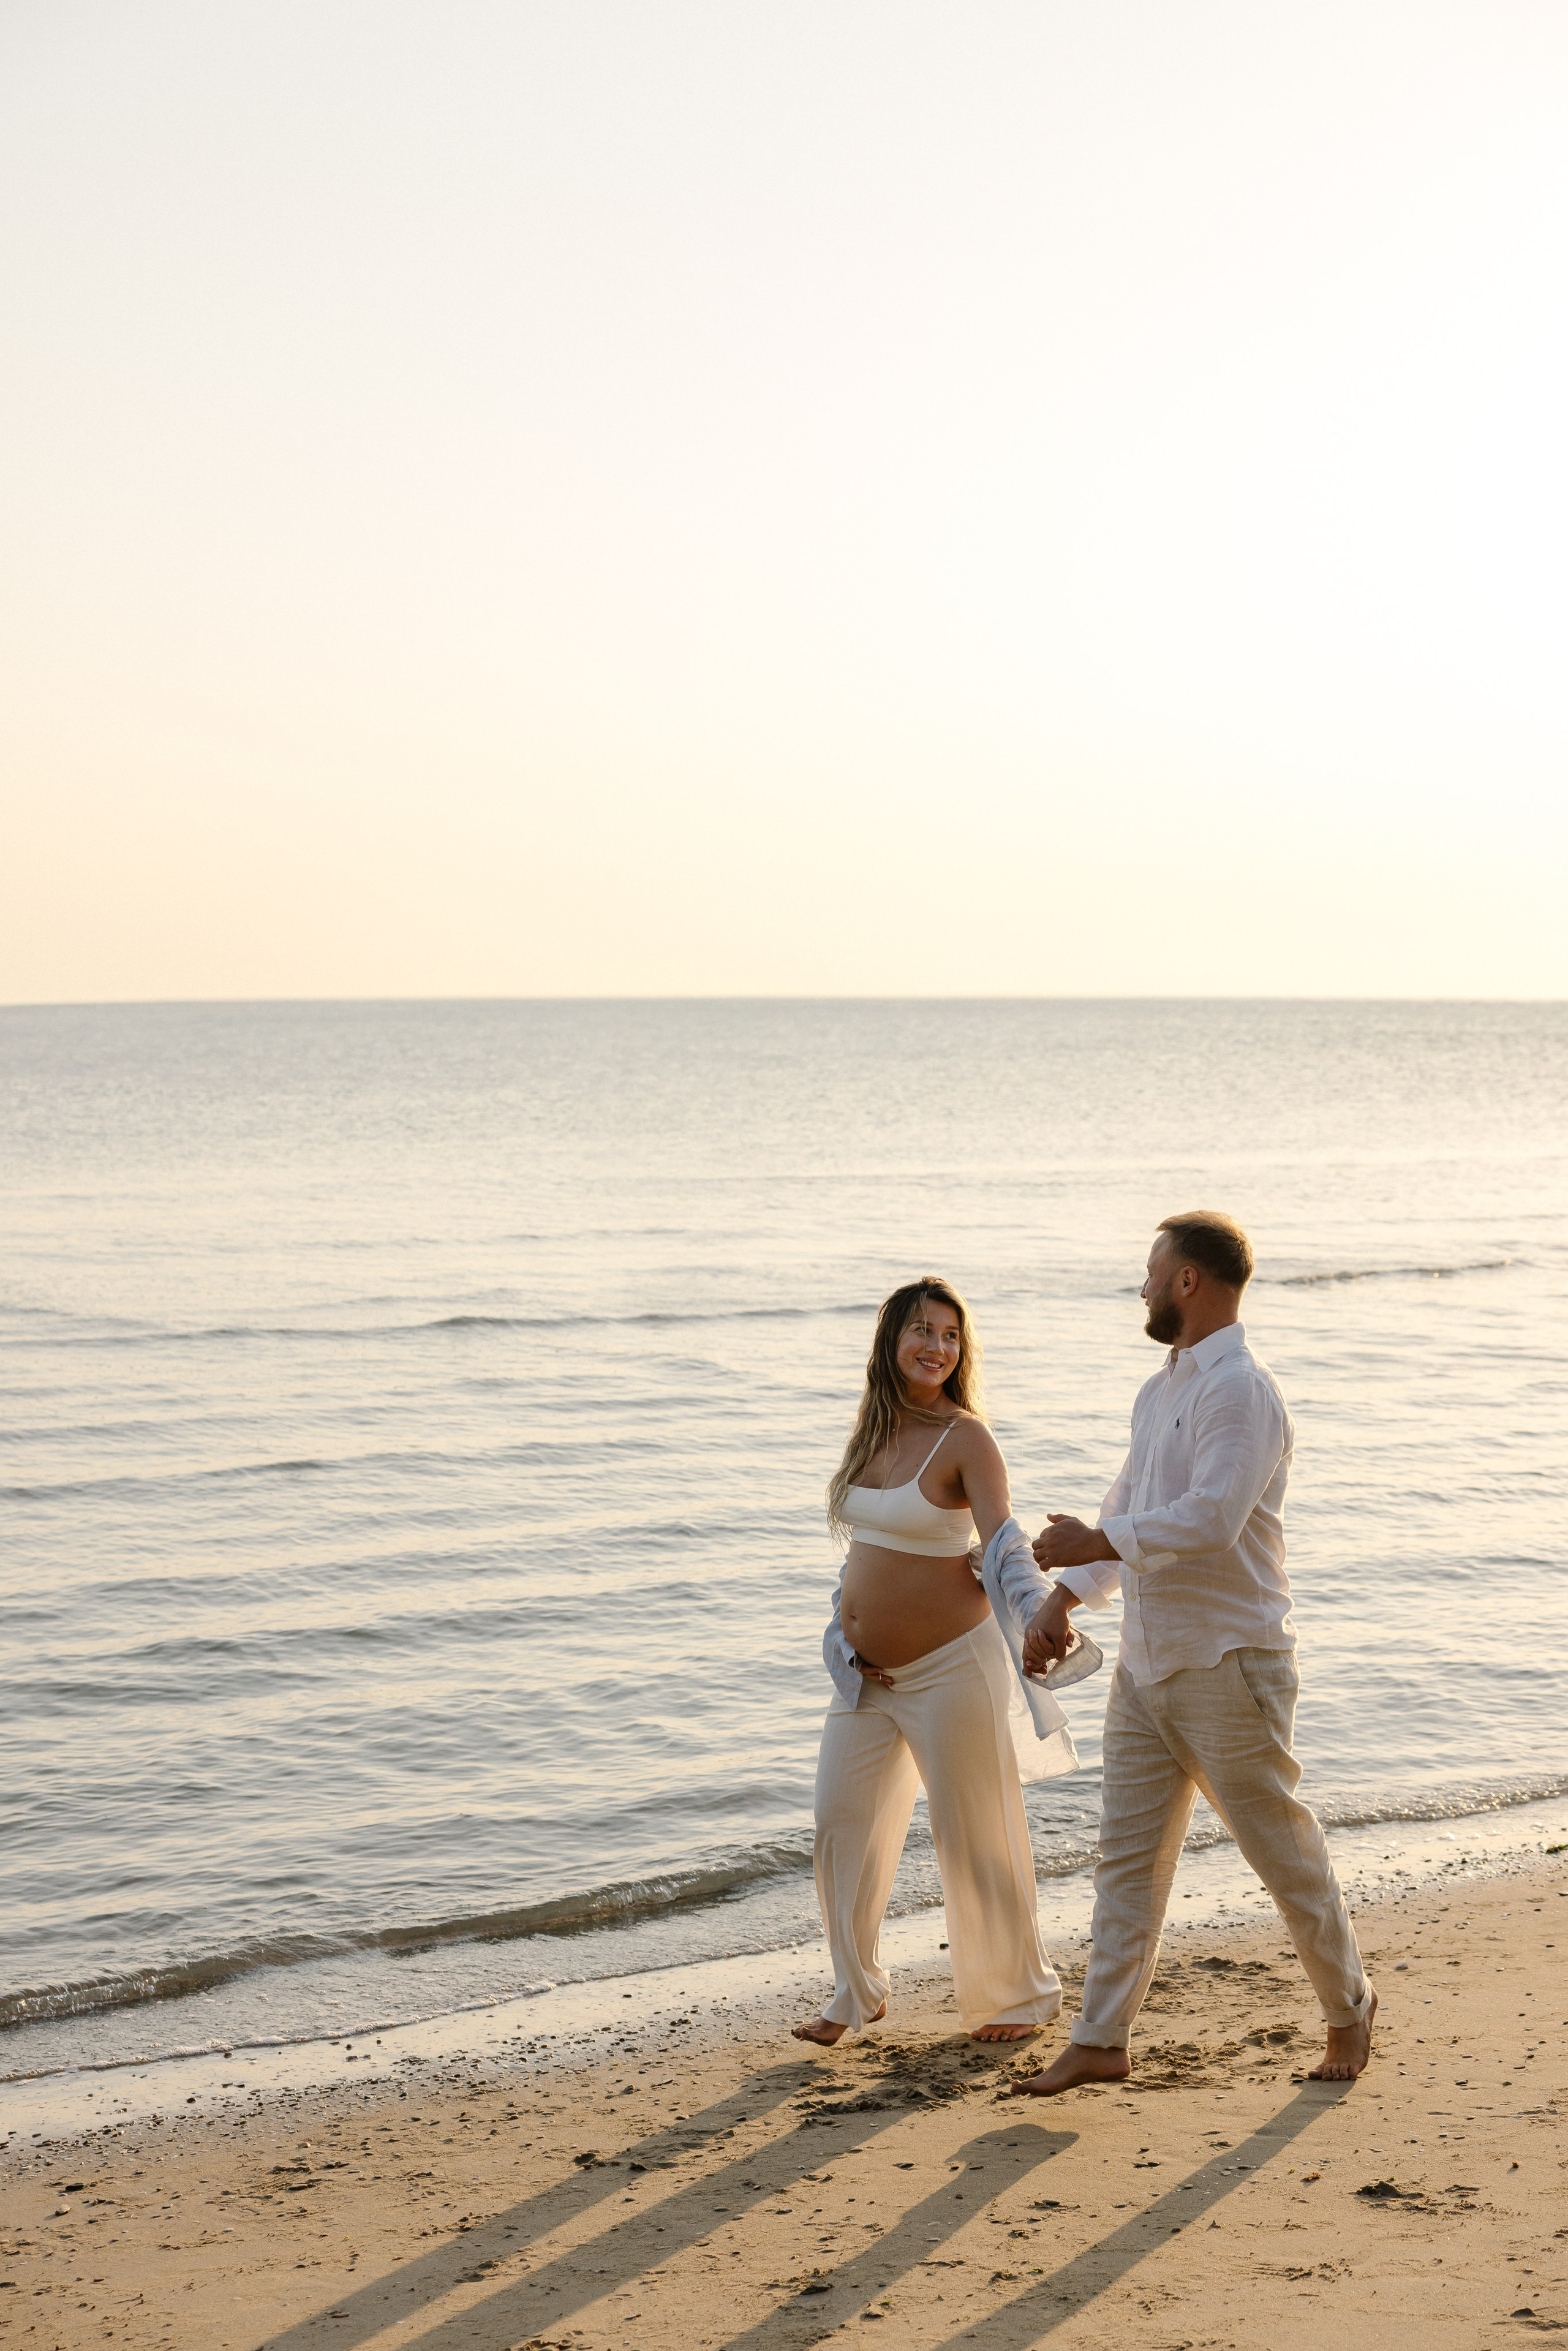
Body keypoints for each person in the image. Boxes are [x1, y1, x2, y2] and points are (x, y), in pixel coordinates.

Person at [1014, 1211, 1376, 2096]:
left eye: (1151, 1269)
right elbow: (1128, 1502)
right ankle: (1102, 2038)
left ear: (1188, 1281)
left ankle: (1348, 2005)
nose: (1141, 1284)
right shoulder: (1160, 1388)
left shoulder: (1242, 1390)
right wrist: (1064, 1597)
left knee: (1280, 1853)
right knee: (1126, 1860)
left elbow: (1212, 1519)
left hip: (1230, 1661)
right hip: (1146, 1665)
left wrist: (1101, 1534)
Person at [794, 1277, 1079, 2050]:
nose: (937, 1347)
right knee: (839, 1825)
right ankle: (857, 1990)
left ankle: (1017, 1992)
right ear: (891, 1340)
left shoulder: (967, 1438)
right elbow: (867, 1553)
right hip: (865, 1676)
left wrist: (1039, 1612)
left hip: (952, 1667)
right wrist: (843, 1635)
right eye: (922, 1330)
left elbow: (1001, 1541)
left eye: (951, 1335)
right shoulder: (873, 1430)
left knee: (975, 1830)